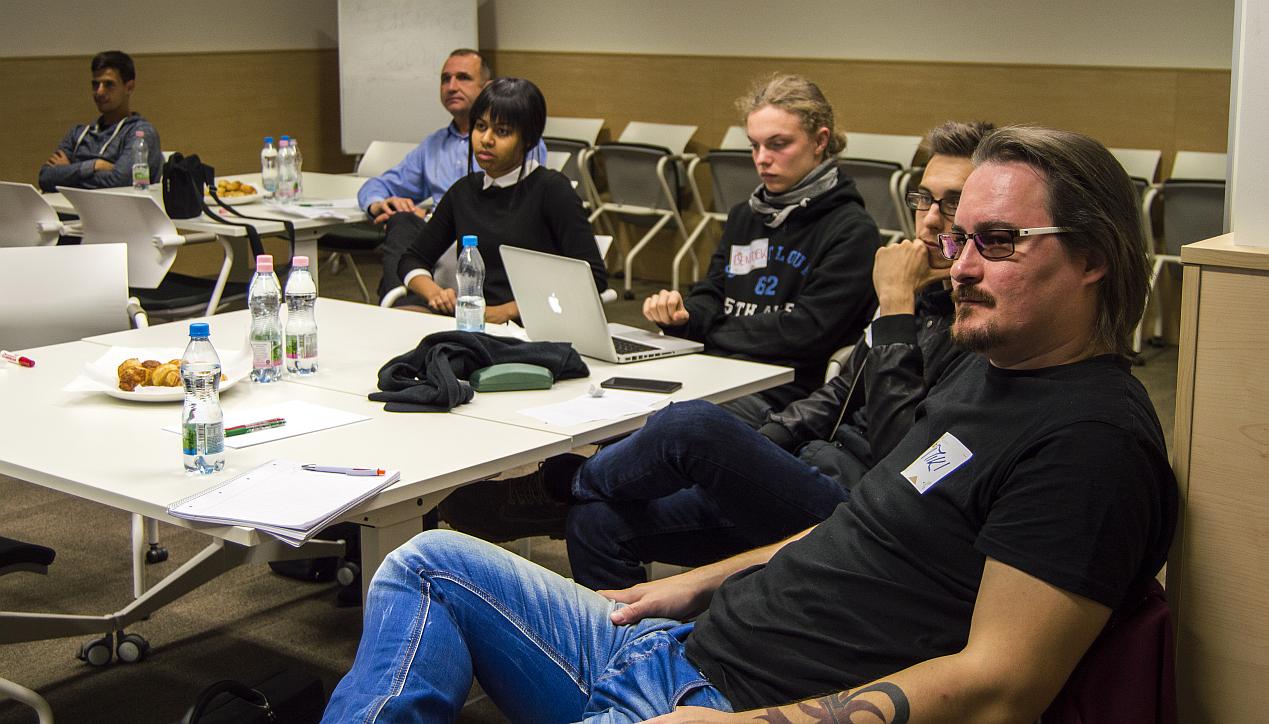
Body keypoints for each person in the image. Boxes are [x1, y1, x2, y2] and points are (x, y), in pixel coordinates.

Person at [320, 126, 1177, 723]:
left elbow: (1002, 687)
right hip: (678, 647)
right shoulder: (990, 372)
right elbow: (861, 521)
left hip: (731, 705)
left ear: (1094, 256)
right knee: (426, 561)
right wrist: (694, 583)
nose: (956, 265)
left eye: (997, 241)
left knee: (689, 429)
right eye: (957, 238)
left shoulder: (1088, 445)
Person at [439, 121, 992, 588]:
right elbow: (837, 397)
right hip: (808, 469)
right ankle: (626, 660)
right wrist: (758, 452)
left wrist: (893, 309)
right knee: (598, 521)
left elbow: (906, 462)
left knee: (692, 426)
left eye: (952, 203)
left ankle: (556, 485)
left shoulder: (978, 327)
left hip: (864, 512)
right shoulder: (921, 296)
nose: (929, 219)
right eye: (924, 199)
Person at [643, 74, 882, 427]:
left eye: (778, 144)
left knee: (668, 424)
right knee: (627, 406)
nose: (762, 159)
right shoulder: (745, 215)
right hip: (718, 366)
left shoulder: (852, 230)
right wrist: (685, 316)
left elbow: (806, 333)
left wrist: (711, 329)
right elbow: (714, 290)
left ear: (820, 141)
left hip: (787, 391)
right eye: (754, 146)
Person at [388, 77, 606, 324]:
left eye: (502, 131)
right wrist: (435, 293)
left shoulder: (552, 190)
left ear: (529, 140)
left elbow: (593, 278)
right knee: (396, 324)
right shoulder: (464, 191)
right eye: (480, 127)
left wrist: (508, 311)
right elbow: (413, 258)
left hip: (531, 325)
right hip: (471, 320)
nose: (486, 139)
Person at [356, 49, 548, 300]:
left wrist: (433, 215)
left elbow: (518, 201)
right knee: (401, 221)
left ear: (487, 88)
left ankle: (406, 302)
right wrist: (379, 204)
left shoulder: (518, 143)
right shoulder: (434, 144)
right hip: (437, 238)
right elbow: (379, 185)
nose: (452, 86)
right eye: (445, 79)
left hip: (487, 237)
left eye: (463, 78)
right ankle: (402, 301)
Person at [38, 51, 162, 193]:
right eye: (95, 84)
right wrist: (94, 166)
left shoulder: (140, 132)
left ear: (129, 87)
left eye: (109, 84)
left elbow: (120, 182)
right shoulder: (78, 133)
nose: (99, 92)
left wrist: (66, 172)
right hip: (70, 206)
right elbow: (45, 177)